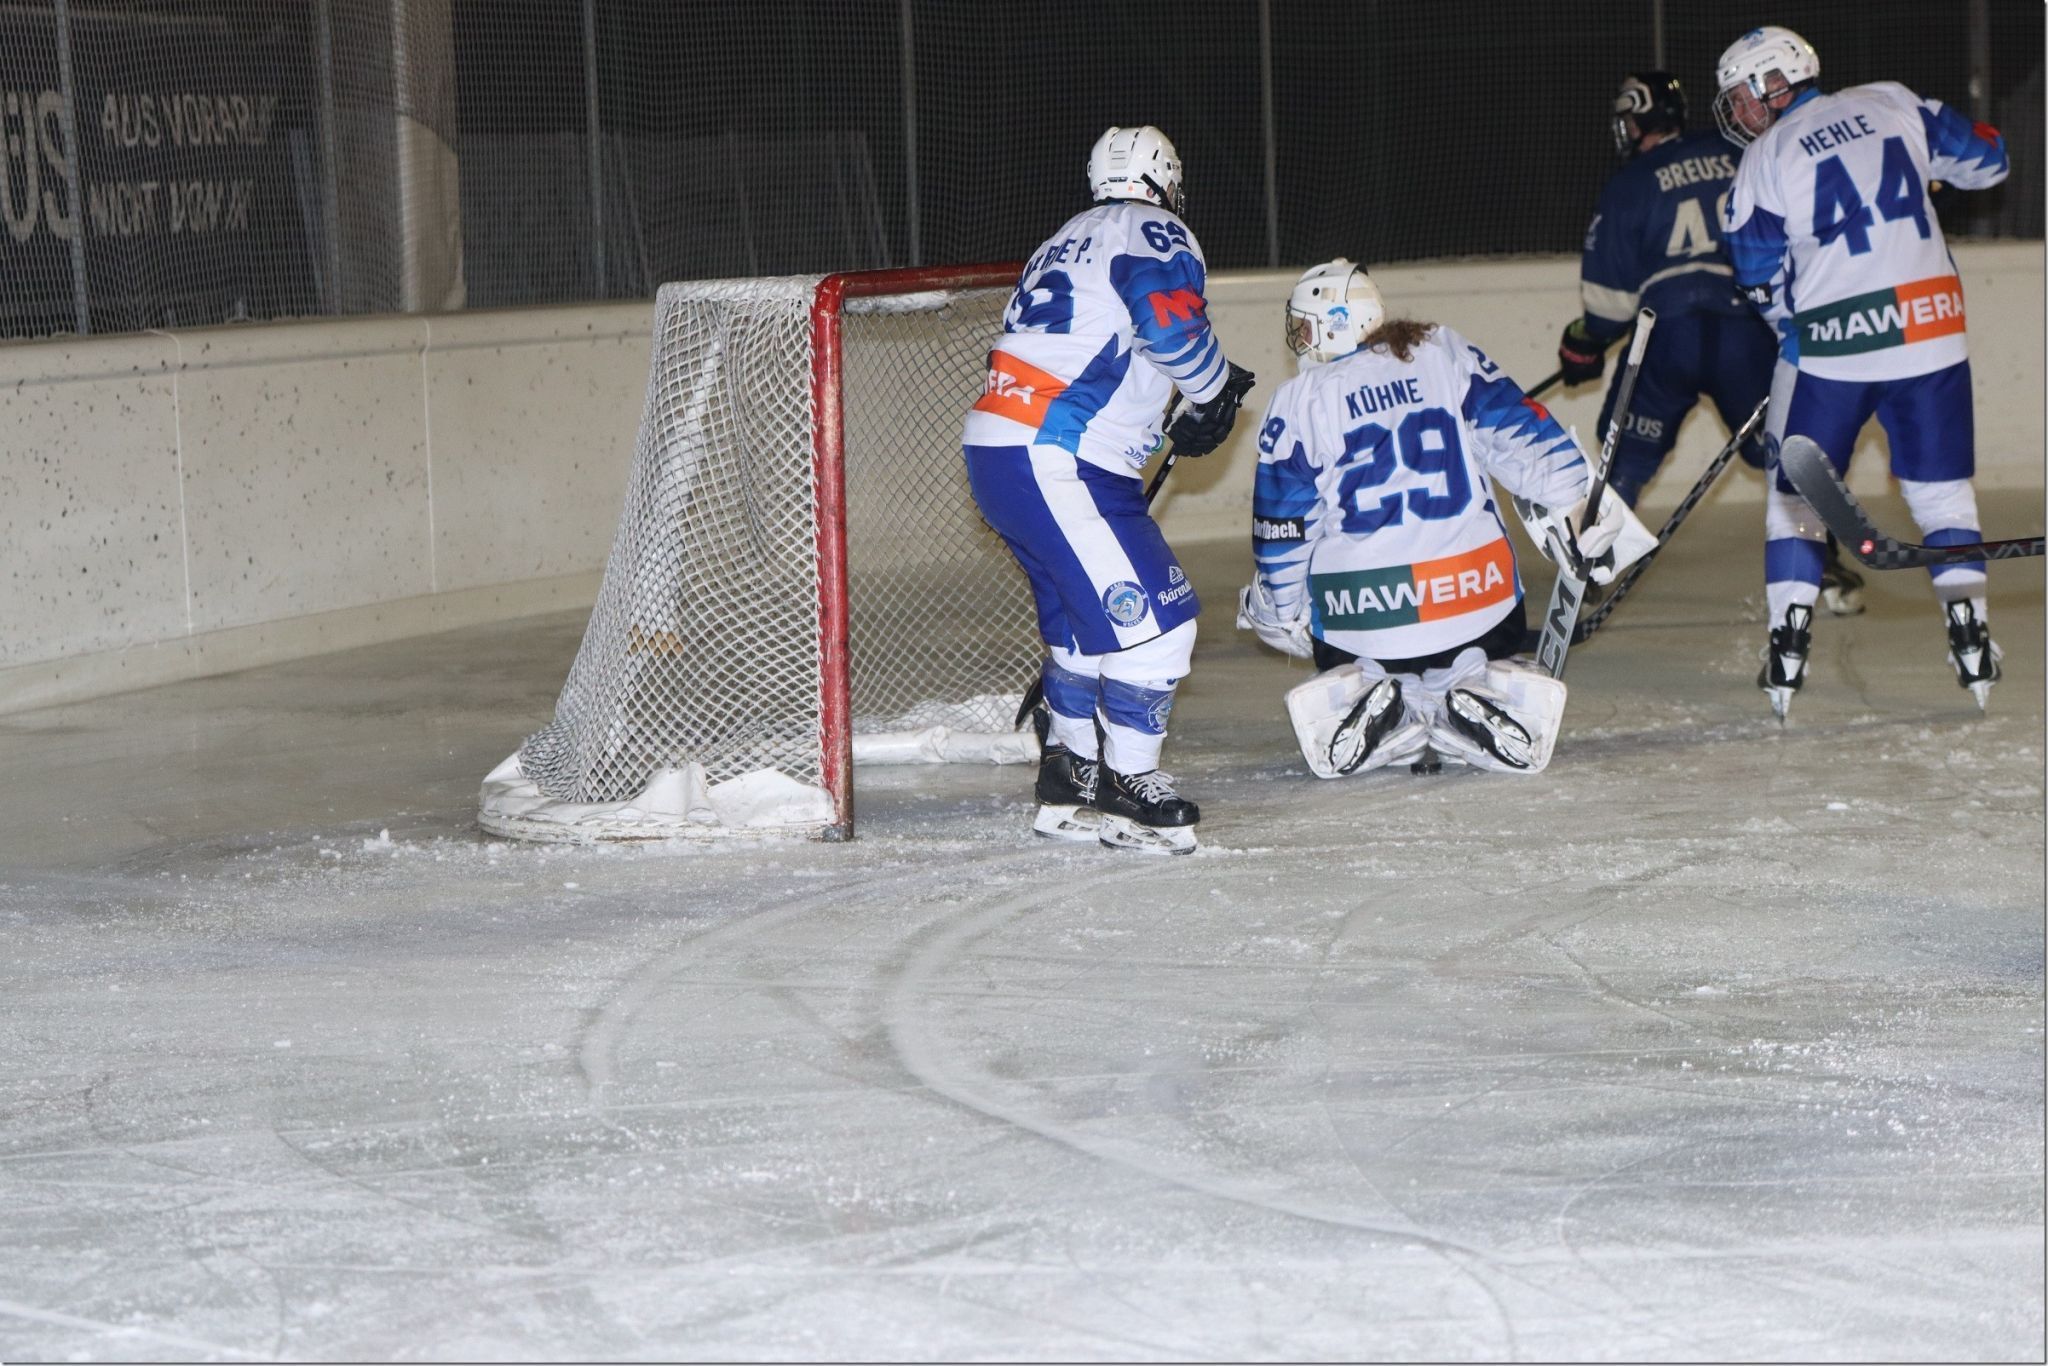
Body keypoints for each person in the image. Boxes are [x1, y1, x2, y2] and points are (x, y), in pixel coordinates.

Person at [1238, 260, 1652, 778]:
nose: (1299, 341)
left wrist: (1280, 613)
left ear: (1335, 323)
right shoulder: (1443, 351)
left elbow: (1282, 532)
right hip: (1483, 606)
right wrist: (1581, 508)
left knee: (1269, 602)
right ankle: (1468, 682)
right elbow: (1532, 444)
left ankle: (1380, 691)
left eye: (1304, 327)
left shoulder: (1298, 400)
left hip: (1359, 620)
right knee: (1472, 621)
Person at [962, 125, 1254, 854]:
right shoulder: (1155, 226)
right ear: (1166, 178)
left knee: (1082, 631)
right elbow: (1164, 317)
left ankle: (1070, 772)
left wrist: (1176, 404)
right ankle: (1129, 783)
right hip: (1062, 458)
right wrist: (1212, 390)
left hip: (1008, 452)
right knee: (1159, 626)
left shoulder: (1063, 237)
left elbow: (1097, 337)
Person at [1715, 26, 2011, 717]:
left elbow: (1757, 275)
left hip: (1834, 348)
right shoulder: (1895, 101)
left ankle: (1788, 648)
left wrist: (1792, 329)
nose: (1740, 114)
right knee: (1943, 498)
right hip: (1931, 329)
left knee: (1795, 500)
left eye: (1744, 98)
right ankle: (1970, 638)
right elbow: (1990, 161)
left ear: (1776, 83)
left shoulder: (1766, 155)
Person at [1559, 70, 1866, 616]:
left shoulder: (1630, 184)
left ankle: (1588, 568)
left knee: (1624, 455)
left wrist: (1582, 345)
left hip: (1667, 333)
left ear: (1640, 119)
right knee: (1783, 453)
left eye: (1629, 119)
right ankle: (1827, 571)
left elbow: (1608, 308)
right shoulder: (1742, 150)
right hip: (1743, 327)